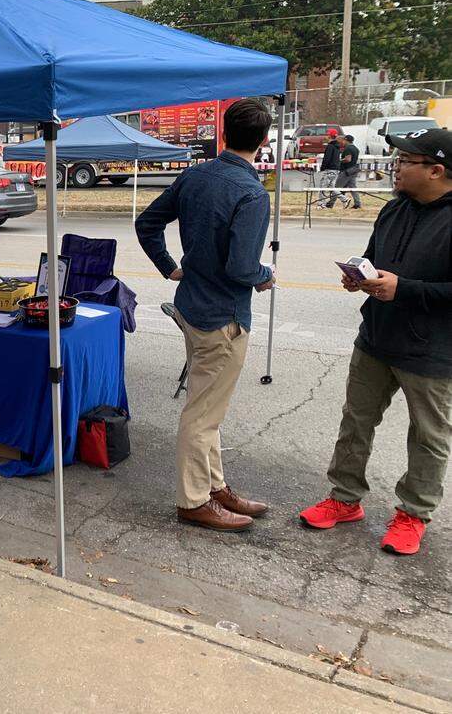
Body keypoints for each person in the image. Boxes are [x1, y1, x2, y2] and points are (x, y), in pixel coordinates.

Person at [300, 128, 452, 555]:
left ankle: (413, 513)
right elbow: (376, 260)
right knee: (356, 421)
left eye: (405, 161)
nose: (395, 166)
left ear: (437, 170)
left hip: (431, 351)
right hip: (375, 338)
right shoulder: (392, 210)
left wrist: (403, 288)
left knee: (428, 437)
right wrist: (362, 279)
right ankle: (344, 499)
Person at [135, 98, 275, 532]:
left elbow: (147, 223)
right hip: (223, 317)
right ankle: (194, 499)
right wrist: (264, 275)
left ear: (223, 132)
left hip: (193, 308)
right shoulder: (251, 193)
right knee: (202, 413)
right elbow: (241, 267)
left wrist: (171, 267)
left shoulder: (195, 175)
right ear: (265, 141)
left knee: (207, 406)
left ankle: (213, 486)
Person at [336, 134, 363, 209]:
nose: (343, 142)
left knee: (336, 188)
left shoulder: (348, 148)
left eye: (344, 140)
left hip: (346, 171)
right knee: (353, 188)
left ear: (346, 140)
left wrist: (339, 160)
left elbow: (348, 159)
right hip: (353, 171)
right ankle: (357, 204)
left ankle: (330, 204)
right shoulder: (356, 148)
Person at [318, 134, 342, 208]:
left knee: (323, 187)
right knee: (331, 187)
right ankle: (344, 199)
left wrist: (322, 167)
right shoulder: (337, 146)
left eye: (327, 135)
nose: (325, 137)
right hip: (335, 169)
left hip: (330, 169)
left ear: (329, 137)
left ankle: (321, 204)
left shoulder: (330, 146)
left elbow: (327, 158)